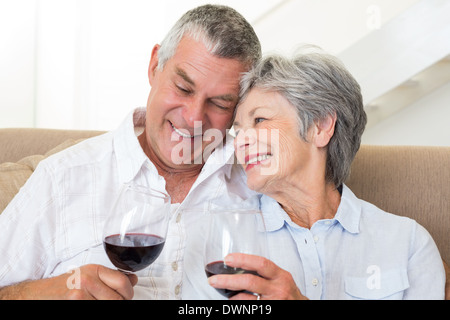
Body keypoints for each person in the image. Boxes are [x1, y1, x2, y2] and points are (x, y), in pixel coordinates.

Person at [0, 4, 261, 300]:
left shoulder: (263, 185)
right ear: (154, 67)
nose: (193, 118)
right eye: (183, 88)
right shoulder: (61, 178)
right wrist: (40, 293)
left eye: (219, 104)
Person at [183, 47, 446, 299]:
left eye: (260, 120)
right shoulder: (217, 238)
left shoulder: (408, 244)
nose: (241, 141)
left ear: (320, 127)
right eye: (238, 130)